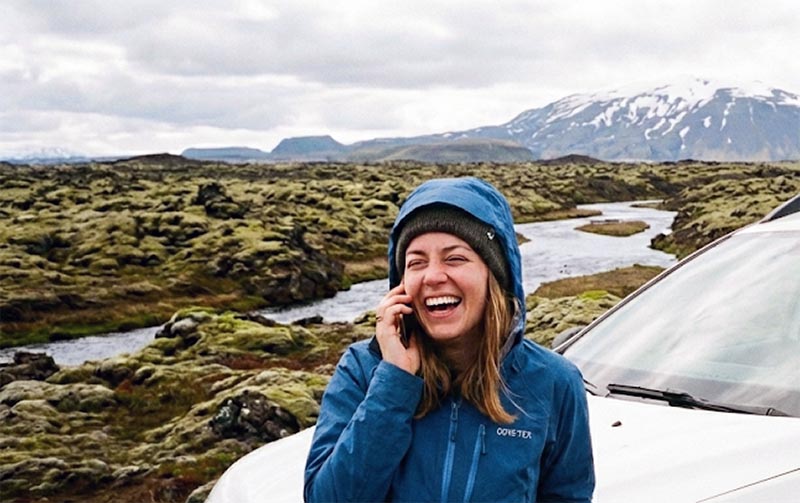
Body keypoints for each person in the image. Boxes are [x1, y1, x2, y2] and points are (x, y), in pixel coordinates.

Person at [304, 177, 595, 502]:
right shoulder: (362, 370)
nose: (433, 276)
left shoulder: (554, 382)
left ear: (495, 276)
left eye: (455, 258)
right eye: (416, 263)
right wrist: (393, 385)